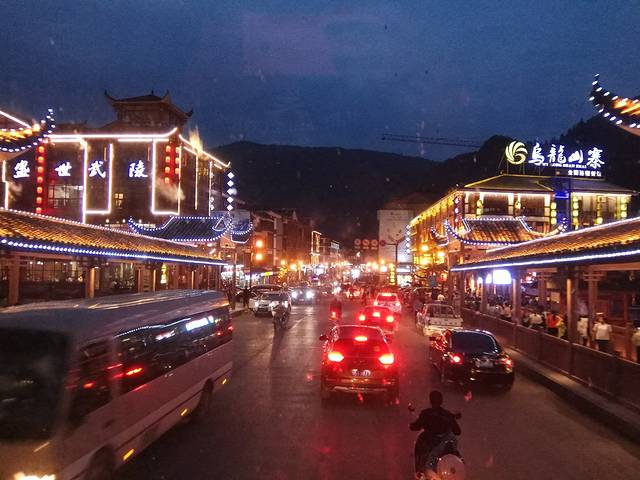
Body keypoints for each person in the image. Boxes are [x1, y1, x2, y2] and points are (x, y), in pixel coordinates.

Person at [410, 390, 461, 476]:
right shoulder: (447, 415)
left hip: (430, 443)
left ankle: (419, 472)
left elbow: (416, 426)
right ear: (441, 401)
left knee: (420, 450)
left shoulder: (426, 414)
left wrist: (412, 426)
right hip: (443, 446)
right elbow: (457, 431)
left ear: (430, 401)